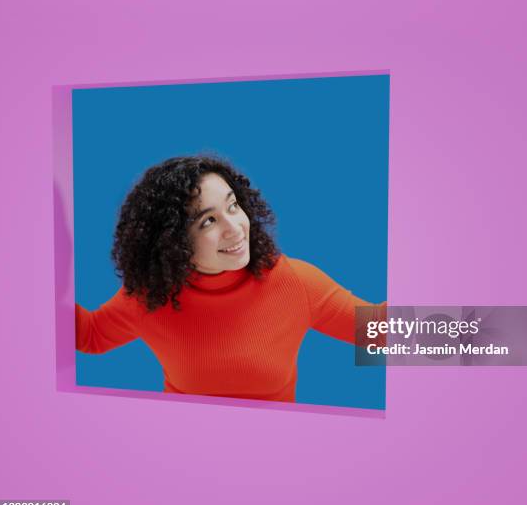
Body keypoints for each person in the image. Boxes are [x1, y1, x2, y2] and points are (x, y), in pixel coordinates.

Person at [76, 155, 383, 402]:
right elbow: (90, 336)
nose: (235, 228)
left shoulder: (294, 282)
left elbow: (382, 333)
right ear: (173, 241)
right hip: (179, 452)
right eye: (208, 220)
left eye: (233, 206)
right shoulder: (150, 295)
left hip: (274, 457)